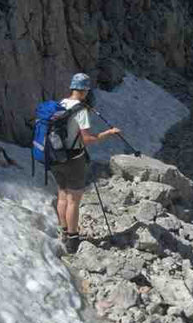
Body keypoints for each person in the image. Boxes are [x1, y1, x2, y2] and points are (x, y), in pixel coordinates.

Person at [50, 73, 121, 254]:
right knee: (74, 200)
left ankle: (64, 231)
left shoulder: (61, 104)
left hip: (55, 156)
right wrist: (108, 133)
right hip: (74, 159)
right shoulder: (81, 110)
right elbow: (87, 139)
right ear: (84, 90)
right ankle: (73, 240)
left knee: (62, 195)